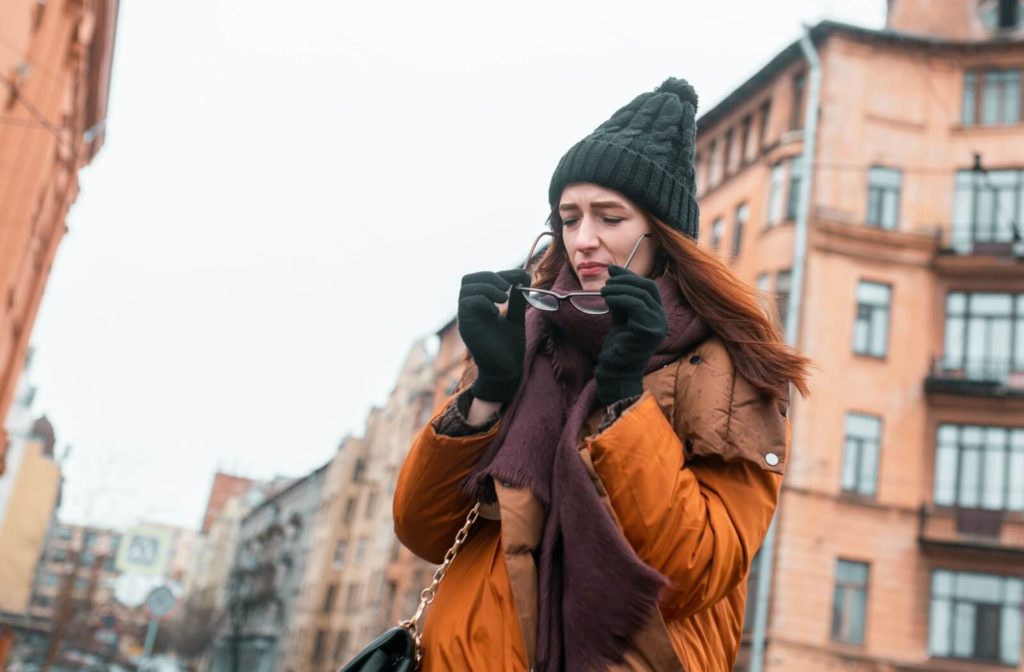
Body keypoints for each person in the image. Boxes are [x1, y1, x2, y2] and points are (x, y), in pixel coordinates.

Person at [393, 77, 810, 671]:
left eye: (609, 218)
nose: (583, 240)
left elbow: (697, 566)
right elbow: (422, 529)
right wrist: (487, 392)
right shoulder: (531, 335)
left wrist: (623, 399)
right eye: (569, 217)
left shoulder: (730, 366)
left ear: (662, 235)